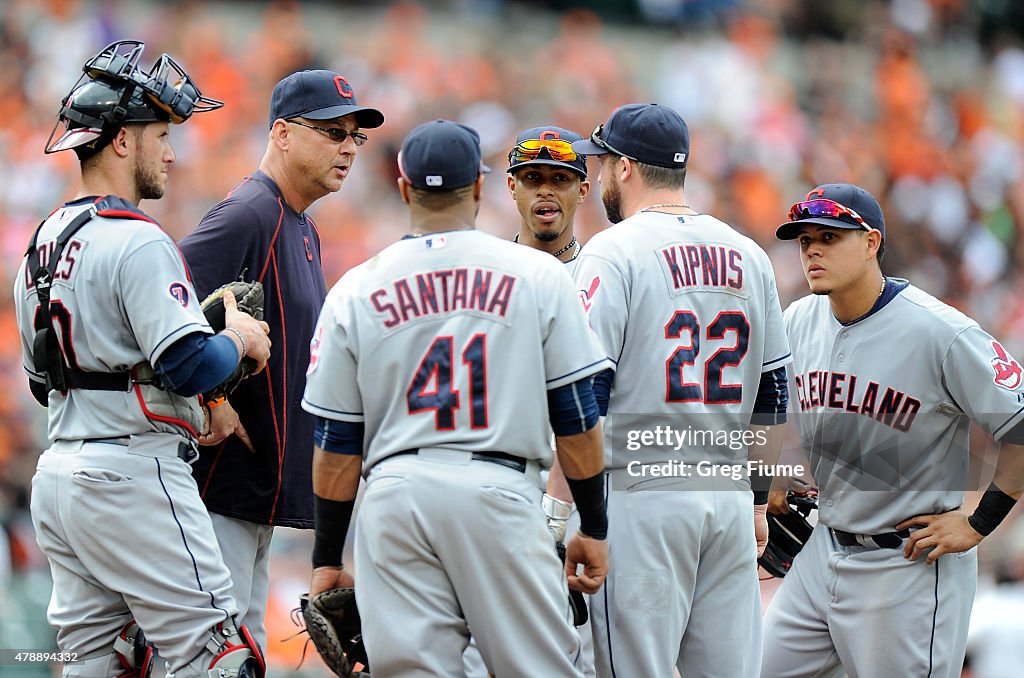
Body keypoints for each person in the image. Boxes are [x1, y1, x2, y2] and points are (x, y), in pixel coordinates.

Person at [301, 119, 611, 676]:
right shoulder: (537, 275)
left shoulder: (354, 286)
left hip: (393, 499)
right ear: (479, 187)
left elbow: (337, 445)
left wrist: (327, 556)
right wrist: (593, 523)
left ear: (402, 189)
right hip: (498, 492)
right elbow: (576, 418)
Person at [14, 40, 271, 677]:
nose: (170, 151)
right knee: (221, 661)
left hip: (60, 480)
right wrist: (236, 338)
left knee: (92, 666)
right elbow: (192, 366)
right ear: (121, 140)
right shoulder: (137, 239)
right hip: (132, 476)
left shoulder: (41, 243)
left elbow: (42, 382)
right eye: (159, 133)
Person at [761, 183, 1024, 678]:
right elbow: (773, 401)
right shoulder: (799, 317)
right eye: (804, 239)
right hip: (822, 551)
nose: (812, 249)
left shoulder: (941, 331)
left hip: (905, 568)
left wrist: (978, 522)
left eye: (829, 236)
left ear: (871, 242)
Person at [570, 102, 791, 677]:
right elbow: (772, 393)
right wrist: (754, 495)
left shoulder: (612, 251)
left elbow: (586, 396)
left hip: (642, 493)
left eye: (602, 164)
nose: (597, 178)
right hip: (725, 492)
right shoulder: (749, 253)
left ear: (624, 168)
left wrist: (582, 517)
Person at [178, 69, 383, 649]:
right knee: (212, 654)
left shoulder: (301, 226)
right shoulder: (248, 214)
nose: (347, 147)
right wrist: (212, 399)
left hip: (254, 494)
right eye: (330, 131)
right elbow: (160, 317)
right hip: (217, 489)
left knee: (243, 649)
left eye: (354, 136)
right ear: (283, 133)